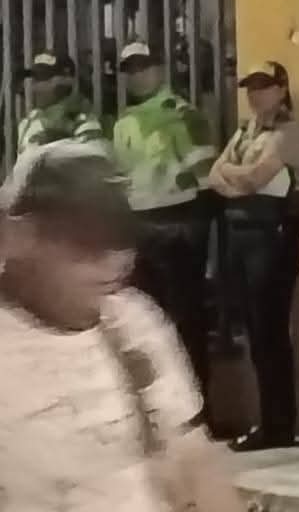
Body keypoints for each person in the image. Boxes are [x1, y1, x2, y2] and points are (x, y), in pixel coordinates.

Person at [0, 141, 242, 512]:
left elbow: (194, 462)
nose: (112, 262)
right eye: (86, 242)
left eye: (119, 239)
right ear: (22, 236)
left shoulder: (132, 323)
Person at [209, 60, 299, 452]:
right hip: (242, 232)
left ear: (282, 89)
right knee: (254, 331)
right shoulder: (245, 131)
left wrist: (234, 174)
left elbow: (253, 179)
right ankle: (269, 419)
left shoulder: (288, 133)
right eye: (251, 87)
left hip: (272, 235)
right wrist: (237, 176)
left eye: (264, 86)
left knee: (270, 332)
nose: (255, 94)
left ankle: (278, 423)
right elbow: (213, 176)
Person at [112, 41, 218, 393]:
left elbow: (207, 181)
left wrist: (198, 238)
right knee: (147, 326)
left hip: (179, 227)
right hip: (140, 229)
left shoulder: (183, 115)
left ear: (159, 69)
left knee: (185, 323)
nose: (137, 76)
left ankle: (197, 404)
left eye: (143, 67)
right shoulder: (124, 122)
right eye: (130, 70)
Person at [16, 49, 106, 152]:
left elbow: (91, 157)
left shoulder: (83, 118)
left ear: (67, 81)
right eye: (35, 79)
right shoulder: (29, 121)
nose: (36, 87)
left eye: (43, 78)